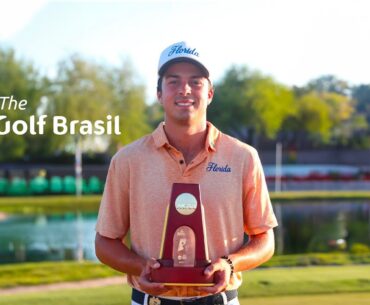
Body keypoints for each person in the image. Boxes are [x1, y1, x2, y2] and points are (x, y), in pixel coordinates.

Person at [95, 41, 278, 305]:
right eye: (173, 81)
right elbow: (105, 242)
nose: (185, 90)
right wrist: (139, 267)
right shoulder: (128, 160)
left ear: (210, 93)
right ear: (159, 93)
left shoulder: (243, 157)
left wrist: (230, 263)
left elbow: (265, 239)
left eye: (196, 81)